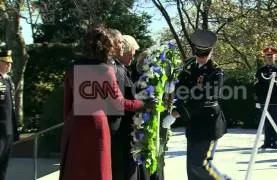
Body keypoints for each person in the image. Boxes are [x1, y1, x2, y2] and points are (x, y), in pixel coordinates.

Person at [59, 27, 154, 180]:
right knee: (98, 171)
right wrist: (144, 104)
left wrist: (69, 126)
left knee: (75, 170)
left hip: (75, 124)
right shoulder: (105, 70)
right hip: (97, 126)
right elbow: (118, 103)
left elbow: (67, 104)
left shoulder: (72, 68)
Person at [162, 29, 227, 180]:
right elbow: (183, 86)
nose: (200, 58)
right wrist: (173, 86)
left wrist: (176, 114)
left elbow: (204, 98)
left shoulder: (216, 73)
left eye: (204, 55)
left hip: (208, 123)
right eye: (198, 54)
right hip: (194, 123)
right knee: (192, 169)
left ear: (211, 52)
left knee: (201, 164)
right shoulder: (190, 65)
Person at [108, 34, 142, 180]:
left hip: (123, 128)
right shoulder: (116, 69)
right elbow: (120, 101)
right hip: (120, 129)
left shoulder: (121, 68)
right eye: (131, 54)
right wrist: (143, 104)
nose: (132, 58)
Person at [254, 47, 277, 149]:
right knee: (265, 122)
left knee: (275, 121)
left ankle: (275, 142)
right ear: (264, 57)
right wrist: (257, 99)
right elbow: (256, 85)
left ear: (275, 57)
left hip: (276, 100)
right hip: (264, 100)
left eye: (271, 55)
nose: (269, 57)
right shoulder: (260, 70)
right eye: (267, 55)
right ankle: (266, 142)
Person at [0, 47, 19, 180]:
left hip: (8, 129)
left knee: (3, 165)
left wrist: (14, 130)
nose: (9, 65)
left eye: (10, 63)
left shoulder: (9, 81)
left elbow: (11, 107)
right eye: (6, 62)